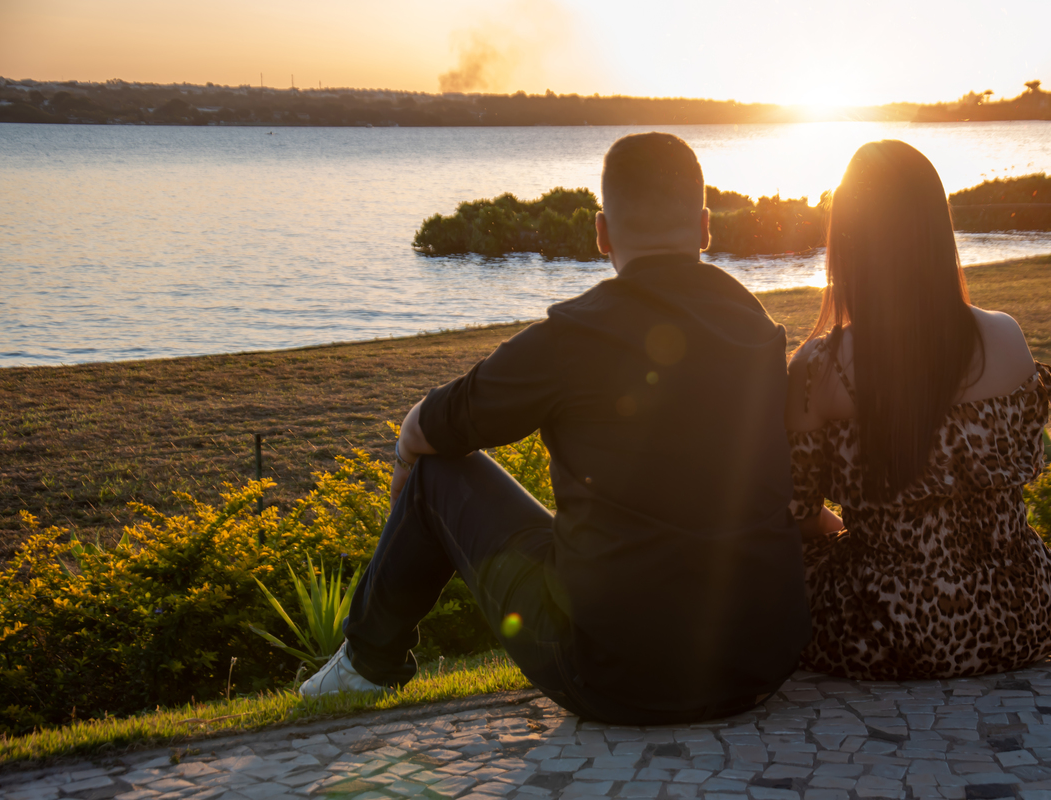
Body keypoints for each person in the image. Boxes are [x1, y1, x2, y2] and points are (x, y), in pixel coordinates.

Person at [301, 132, 812, 723]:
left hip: (617, 674)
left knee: (437, 473)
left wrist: (403, 469)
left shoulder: (576, 336)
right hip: (760, 661)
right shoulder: (758, 328)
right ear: (704, 228)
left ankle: (366, 663)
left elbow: (433, 425)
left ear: (601, 234)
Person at [786, 140, 1051, 681]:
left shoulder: (819, 367)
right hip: (1020, 615)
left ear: (847, 239)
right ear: (937, 229)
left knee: (782, 569)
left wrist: (854, 536)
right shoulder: (1006, 338)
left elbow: (798, 515)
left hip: (886, 629)